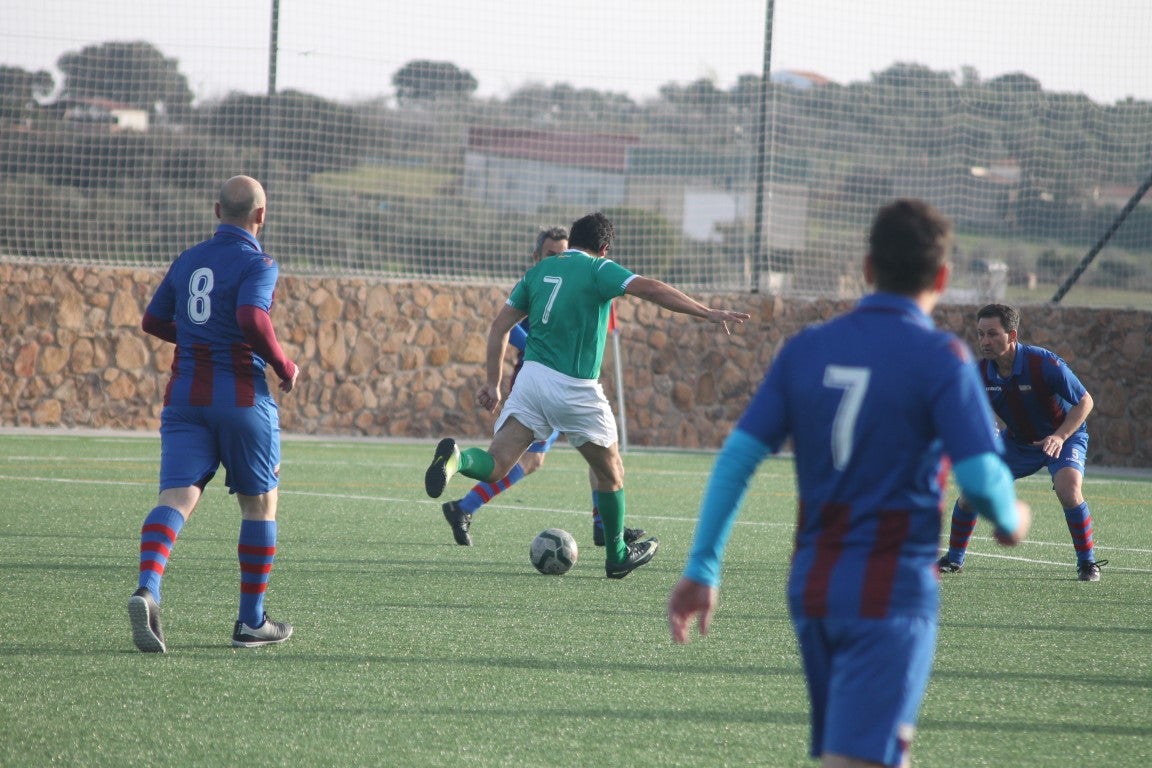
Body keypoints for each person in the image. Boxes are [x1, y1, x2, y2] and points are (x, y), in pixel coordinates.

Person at [667, 199, 1031, 768]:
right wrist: (1011, 517)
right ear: (942, 277)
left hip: (813, 585)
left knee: (880, 750)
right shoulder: (941, 357)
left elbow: (736, 459)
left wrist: (704, 566)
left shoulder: (807, 350)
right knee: (858, 758)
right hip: (890, 589)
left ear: (866, 269)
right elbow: (982, 480)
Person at [425, 211, 749, 578]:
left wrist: (493, 382)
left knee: (497, 464)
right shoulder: (599, 269)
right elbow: (652, 289)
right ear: (604, 249)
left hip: (530, 381)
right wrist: (705, 311)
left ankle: (455, 460)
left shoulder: (536, 273)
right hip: (575, 388)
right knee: (610, 472)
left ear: (573, 238)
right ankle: (617, 554)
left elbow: (500, 327)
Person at [128, 175, 301, 653]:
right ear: (260, 216)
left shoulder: (188, 259)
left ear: (217, 210)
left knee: (178, 496)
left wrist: (195, 339)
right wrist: (283, 364)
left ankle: (149, 587)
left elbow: (152, 320)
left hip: (185, 398)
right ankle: (251, 623)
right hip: (242, 398)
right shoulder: (259, 262)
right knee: (259, 504)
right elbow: (251, 317)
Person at [440, 226, 645, 548]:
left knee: (576, 458)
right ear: (537, 256)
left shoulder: (566, 280)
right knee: (583, 459)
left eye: (562, 252)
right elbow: (508, 330)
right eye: (551, 254)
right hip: (544, 383)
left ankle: (601, 524)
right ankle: (465, 506)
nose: (558, 258)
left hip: (552, 381)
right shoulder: (536, 282)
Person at [937, 303, 1106, 581]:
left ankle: (1088, 563)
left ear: (1012, 335)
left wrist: (1060, 435)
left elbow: (1085, 401)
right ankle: (954, 559)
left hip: (1063, 437)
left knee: (1068, 488)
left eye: (992, 334)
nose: (984, 341)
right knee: (971, 495)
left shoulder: (1044, 364)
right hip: (1017, 443)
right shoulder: (979, 373)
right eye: (980, 334)